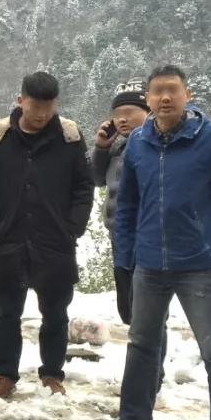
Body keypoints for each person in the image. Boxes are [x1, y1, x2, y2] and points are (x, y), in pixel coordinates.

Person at [97, 64, 211, 420]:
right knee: (141, 344)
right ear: (148, 99)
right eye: (158, 91)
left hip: (199, 264)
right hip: (149, 263)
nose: (165, 97)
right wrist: (126, 257)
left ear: (187, 94)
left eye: (173, 90)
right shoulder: (138, 143)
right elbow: (127, 204)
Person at [0, 71, 94, 398]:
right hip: (9, 240)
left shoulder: (69, 136)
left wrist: (73, 227)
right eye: (35, 106)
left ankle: (52, 374)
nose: (42, 114)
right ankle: (4, 374)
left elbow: (84, 186)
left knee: (55, 314)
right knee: (6, 314)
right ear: (20, 100)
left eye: (48, 107)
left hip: (55, 242)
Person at [91, 79, 168, 392]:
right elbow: (96, 178)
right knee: (130, 311)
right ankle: (146, 371)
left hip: (148, 240)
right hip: (119, 238)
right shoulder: (117, 146)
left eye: (130, 112)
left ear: (147, 111)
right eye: (117, 113)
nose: (122, 119)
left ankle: (150, 375)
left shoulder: (156, 143)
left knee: (149, 313)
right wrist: (101, 147)